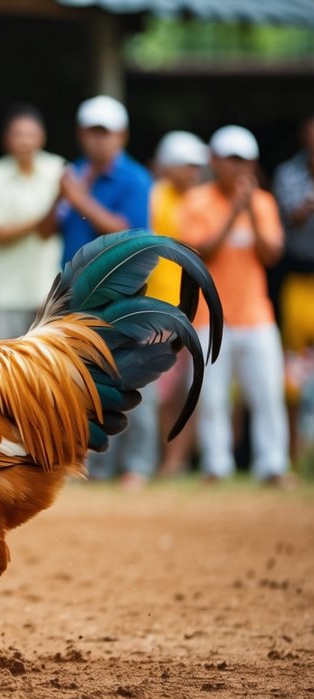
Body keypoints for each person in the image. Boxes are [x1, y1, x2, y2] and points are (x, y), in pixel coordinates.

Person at [179, 126, 290, 485]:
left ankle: (272, 465)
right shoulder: (196, 201)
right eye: (231, 159)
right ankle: (216, 465)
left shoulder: (264, 203)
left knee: (268, 395)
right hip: (210, 318)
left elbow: (272, 254)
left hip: (256, 315)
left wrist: (252, 214)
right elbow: (199, 252)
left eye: (244, 160)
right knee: (212, 399)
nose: (238, 167)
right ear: (215, 160)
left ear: (253, 164)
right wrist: (233, 214)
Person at [57, 95, 154, 487]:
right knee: (77, 379)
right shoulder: (74, 174)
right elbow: (52, 229)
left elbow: (129, 233)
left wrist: (79, 198)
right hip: (72, 292)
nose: (98, 141)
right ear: (81, 134)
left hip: (119, 291)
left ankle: (138, 464)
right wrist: (61, 196)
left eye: (106, 133)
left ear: (122, 136)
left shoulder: (135, 178)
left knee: (131, 370)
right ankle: (88, 464)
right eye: (92, 132)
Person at [0, 104, 64, 342]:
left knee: (48, 374)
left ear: (42, 136)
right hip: (3, 294)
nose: (24, 141)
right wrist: (42, 219)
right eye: (18, 134)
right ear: (6, 139)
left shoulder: (59, 170)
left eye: (30, 134)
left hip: (48, 292)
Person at [147, 130, 209, 477]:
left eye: (197, 165)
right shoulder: (153, 197)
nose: (194, 172)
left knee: (190, 390)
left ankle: (177, 461)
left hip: (193, 309)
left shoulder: (204, 200)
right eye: (187, 165)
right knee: (160, 389)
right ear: (167, 166)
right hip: (155, 307)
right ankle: (165, 457)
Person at [273, 114, 314, 469]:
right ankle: (292, 453)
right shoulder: (289, 173)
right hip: (299, 280)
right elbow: (292, 219)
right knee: (293, 372)